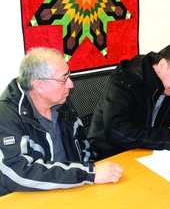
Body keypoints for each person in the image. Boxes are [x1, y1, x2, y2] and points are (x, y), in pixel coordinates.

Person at [0, 47, 123, 196]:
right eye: (63, 79)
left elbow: (83, 149)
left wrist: (90, 176)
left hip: (70, 190)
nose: (71, 84)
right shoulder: (7, 115)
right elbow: (17, 173)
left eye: (69, 76)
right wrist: (89, 174)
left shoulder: (62, 104)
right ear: (39, 86)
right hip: (25, 197)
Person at [88, 43, 170, 160]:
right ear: (162, 65)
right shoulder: (126, 81)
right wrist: (169, 138)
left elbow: (168, 121)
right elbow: (117, 132)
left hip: (147, 151)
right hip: (111, 155)